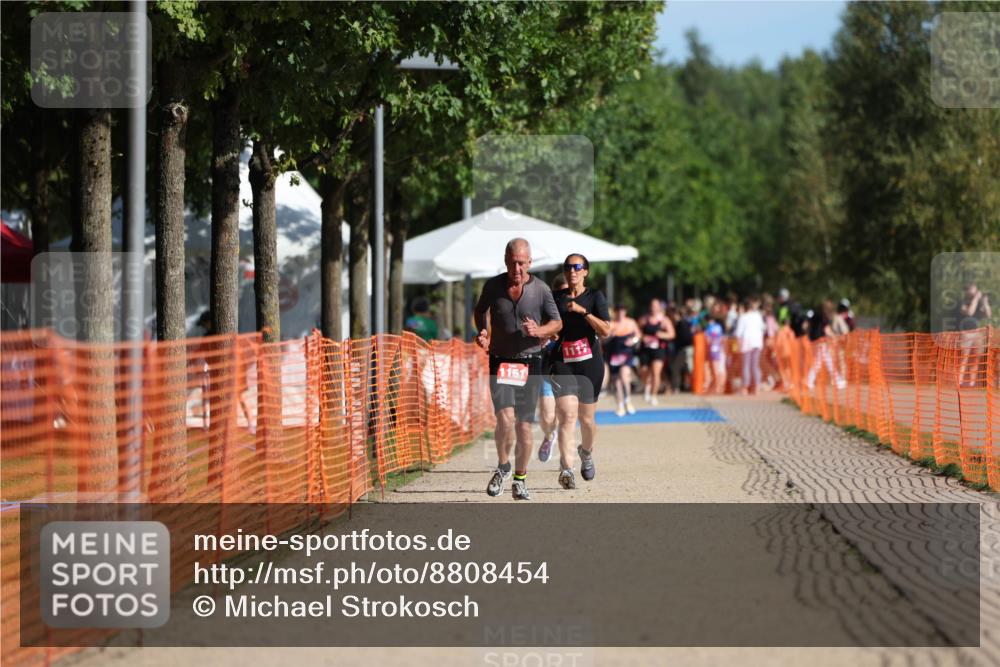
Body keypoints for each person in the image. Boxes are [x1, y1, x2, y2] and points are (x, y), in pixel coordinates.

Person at [475, 238, 562, 501]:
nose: (517, 269)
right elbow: (480, 312)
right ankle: (503, 467)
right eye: (513, 263)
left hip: (530, 361)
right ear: (505, 261)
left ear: (530, 262)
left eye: (522, 263)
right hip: (500, 360)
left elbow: (556, 323)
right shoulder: (493, 286)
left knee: (524, 425)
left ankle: (520, 478)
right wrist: (483, 332)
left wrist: (540, 330)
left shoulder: (542, 290)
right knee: (504, 419)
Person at [549, 254, 611, 490]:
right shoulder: (555, 298)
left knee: (587, 420)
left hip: (589, 364)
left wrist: (583, 312)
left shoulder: (596, 297)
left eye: (577, 267)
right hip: (563, 362)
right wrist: (549, 332)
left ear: (586, 271)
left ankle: (586, 452)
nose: (572, 271)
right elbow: (548, 324)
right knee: (566, 416)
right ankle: (567, 469)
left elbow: (605, 330)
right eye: (567, 267)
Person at [537, 275, 568, 463]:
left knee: (567, 414)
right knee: (547, 415)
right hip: (545, 367)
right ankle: (549, 436)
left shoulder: (576, 311)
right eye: (561, 293)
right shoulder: (543, 311)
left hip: (568, 369)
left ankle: (566, 460)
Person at [638, 298, 675, 405]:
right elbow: (637, 330)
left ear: (659, 307)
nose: (654, 308)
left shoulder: (664, 320)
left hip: (659, 349)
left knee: (656, 372)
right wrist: (642, 337)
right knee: (644, 371)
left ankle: (654, 395)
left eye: (656, 306)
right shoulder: (644, 319)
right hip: (646, 349)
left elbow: (672, 334)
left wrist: (661, 334)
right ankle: (647, 385)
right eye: (652, 306)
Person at [606, 304, 641, 416]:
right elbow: (603, 339)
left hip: (626, 352)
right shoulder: (611, 324)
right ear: (615, 312)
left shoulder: (631, 322)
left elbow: (639, 335)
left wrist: (634, 340)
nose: (621, 313)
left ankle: (628, 400)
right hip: (614, 354)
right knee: (616, 381)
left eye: (623, 311)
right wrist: (611, 335)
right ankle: (620, 404)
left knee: (625, 376)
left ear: (625, 312)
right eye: (618, 311)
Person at [734, 296, 767, 395]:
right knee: (755, 365)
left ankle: (745, 387)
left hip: (746, 343)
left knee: (746, 366)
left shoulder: (743, 317)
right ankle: (756, 387)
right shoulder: (757, 316)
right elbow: (763, 328)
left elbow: (738, 333)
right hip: (757, 342)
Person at [704, 313, 726, 393]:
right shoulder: (719, 327)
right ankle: (719, 386)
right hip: (719, 349)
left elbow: (707, 340)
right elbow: (721, 338)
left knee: (714, 369)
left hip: (712, 350)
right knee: (720, 369)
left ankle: (716, 387)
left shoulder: (709, 328)